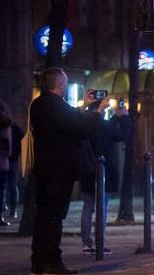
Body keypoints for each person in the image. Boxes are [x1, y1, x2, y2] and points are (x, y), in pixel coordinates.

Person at [29, 68, 107, 275]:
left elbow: (69, 120)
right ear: (59, 85)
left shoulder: (37, 105)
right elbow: (79, 129)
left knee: (43, 216)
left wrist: (84, 106)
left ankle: (38, 261)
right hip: (60, 169)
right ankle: (53, 262)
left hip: (43, 168)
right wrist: (97, 113)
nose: (65, 85)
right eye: (64, 82)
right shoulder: (57, 107)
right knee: (55, 217)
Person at [79, 103, 131, 254]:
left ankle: (86, 244)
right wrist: (125, 117)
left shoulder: (83, 123)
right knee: (102, 207)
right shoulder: (103, 124)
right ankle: (99, 243)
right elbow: (121, 134)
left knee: (87, 206)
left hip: (87, 170)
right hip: (104, 171)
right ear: (100, 109)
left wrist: (115, 117)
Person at [7, 119, 24, 219]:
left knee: (3, 187)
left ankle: (6, 208)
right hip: (12, 158)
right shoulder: (12, 125)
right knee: (12, 185)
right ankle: (13, 210)